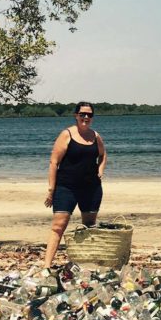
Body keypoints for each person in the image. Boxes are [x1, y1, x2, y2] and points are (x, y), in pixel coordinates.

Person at [42, 102, 107, 268]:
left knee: (89, 227)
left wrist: (100, 169)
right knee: (58, 226)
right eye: (82, 114)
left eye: (89, 115)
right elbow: (53, 162)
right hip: (66, 187)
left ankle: (86, 263)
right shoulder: (67, 134)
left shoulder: (95, 136)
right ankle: (47, 266)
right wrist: (51, 190)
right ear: (76, 115)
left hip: (91, 188)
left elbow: (103, 155)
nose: (86, 117)